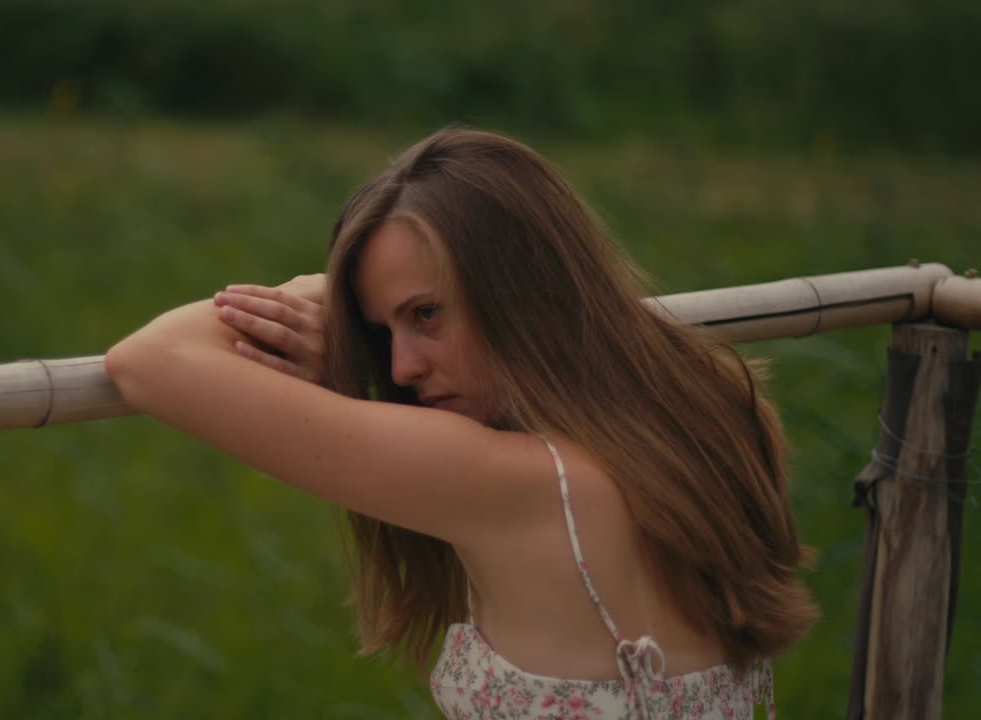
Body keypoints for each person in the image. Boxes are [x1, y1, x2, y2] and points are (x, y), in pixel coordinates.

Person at [104, 128, 816, 719]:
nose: (403, 367)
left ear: (523, 291)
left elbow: (150, 358)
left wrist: (307, 293)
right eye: (381, 334)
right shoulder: (710, 417)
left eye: (426, 315)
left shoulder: (515, 483)